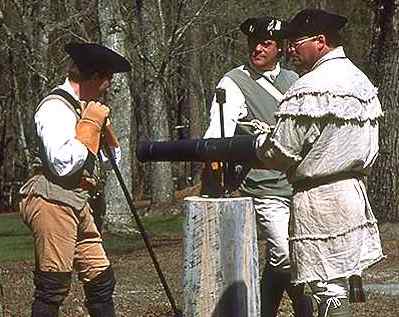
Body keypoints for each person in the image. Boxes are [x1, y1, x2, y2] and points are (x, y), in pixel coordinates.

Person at [255, 9, 384, 317]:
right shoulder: (361, 81)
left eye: (295, 42)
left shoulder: (309, 86)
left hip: (320, 199)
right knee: (337, 283)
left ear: (320, 42)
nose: (289, 50)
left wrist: (261, 143)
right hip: (351, 194)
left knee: (328, 289)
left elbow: (279, 154)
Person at [203, 16, 312, 317]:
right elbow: (218, 133)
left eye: (266, 43)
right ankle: (303, 308)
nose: (258, 49)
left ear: (280, 48)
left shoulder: (296, 81)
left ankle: (267, 311)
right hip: (263, 187)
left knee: (297, 255)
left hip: (298, 185)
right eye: (254, 43)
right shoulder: (234, 82)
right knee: (284, 254)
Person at [18, 42, 131, 317]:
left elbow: (109, 161)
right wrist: (90, 126)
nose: (106, 90)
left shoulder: (83, 110)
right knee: (52, 285)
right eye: (106, 82)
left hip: (79, 202)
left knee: (101, 281)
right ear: (93, 77)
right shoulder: (55, 108)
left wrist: (101, 132)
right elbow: (63, 163)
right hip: (52, 199)